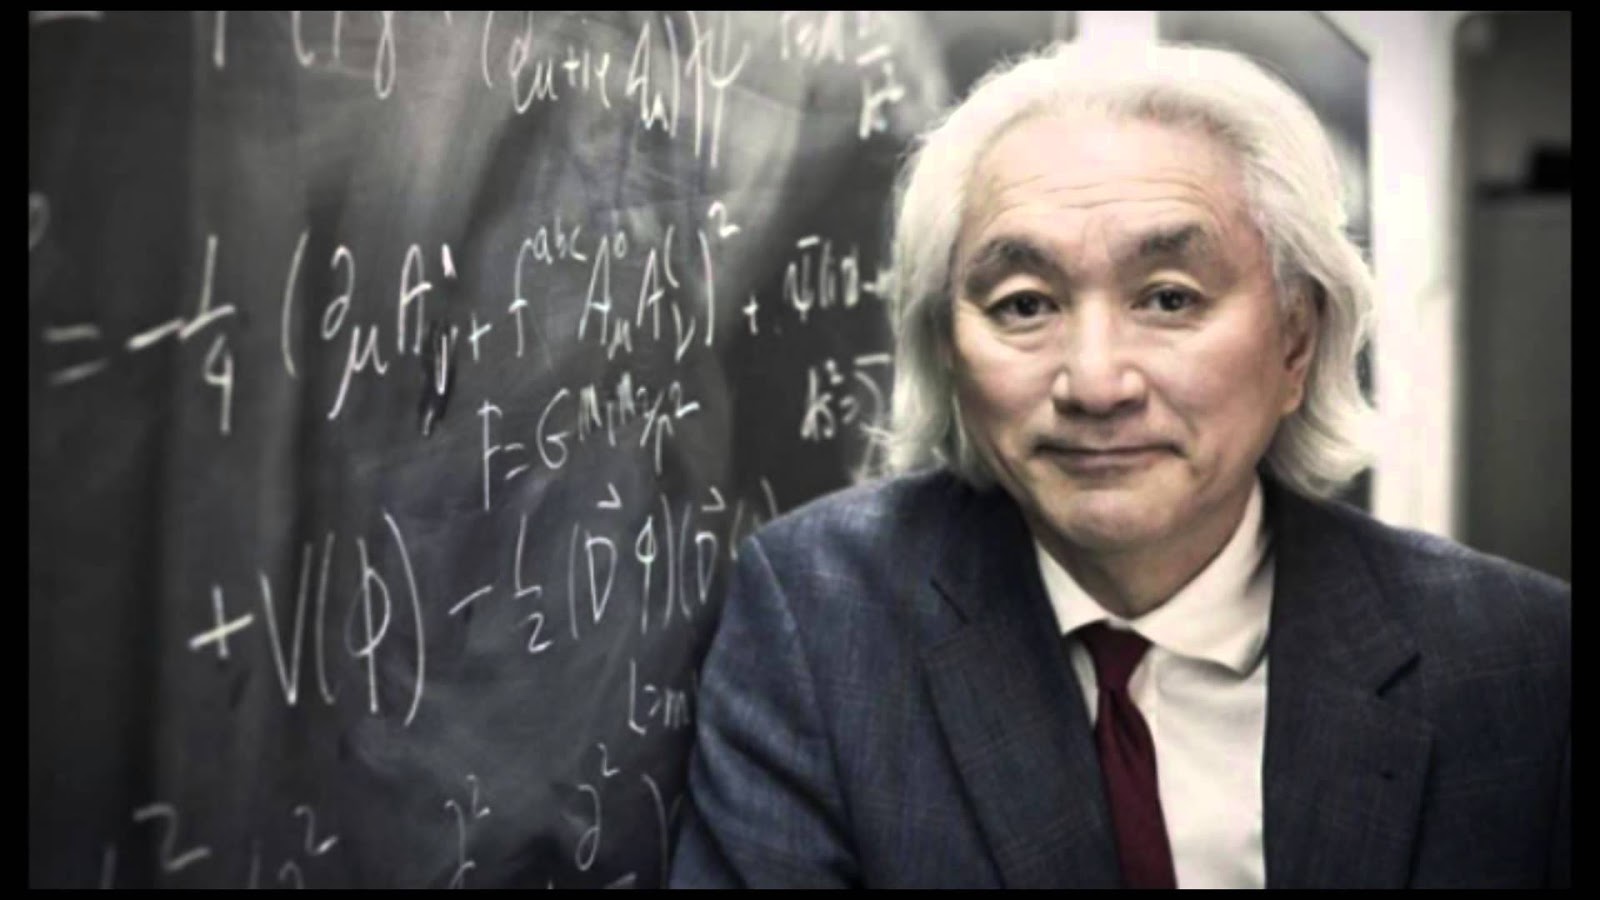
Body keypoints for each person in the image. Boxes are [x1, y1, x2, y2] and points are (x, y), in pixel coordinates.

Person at [668, 40, 1569, 889]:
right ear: (947, 348)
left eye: (1169, 299)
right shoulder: (822, 621)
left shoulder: (1516, 658)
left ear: (1296, 342)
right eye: (1024, 305)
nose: (1096, 383)